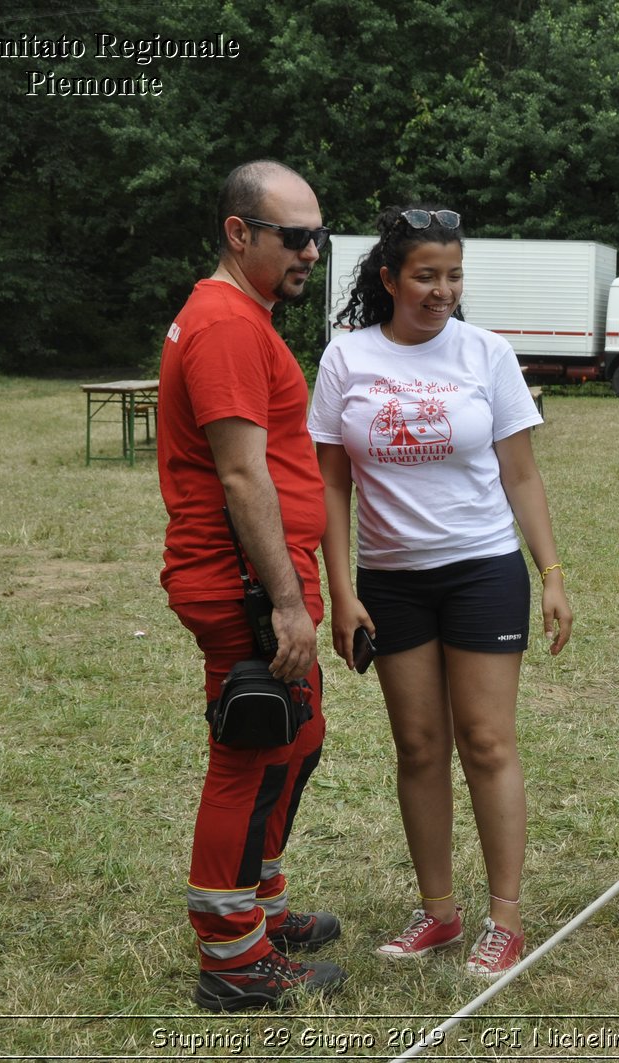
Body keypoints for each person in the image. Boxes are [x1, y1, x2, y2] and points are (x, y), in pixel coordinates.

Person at [309, 205, 573, 979]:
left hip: (482, 570)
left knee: (486, 742)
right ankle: (439, 912)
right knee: (419, 746)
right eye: (426, 276)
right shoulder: (345, 359)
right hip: (390, 581)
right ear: (389, 278)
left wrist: (552, 573)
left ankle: (506, 919)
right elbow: (330, 484)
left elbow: (521, 473)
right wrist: (341, 588)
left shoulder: (486, 352)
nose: (442, 291)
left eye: (454, 276)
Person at [157, 160, 346, 1012]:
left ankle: (260, 911)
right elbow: (242, 477)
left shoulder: (241, 316)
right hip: (243, 579)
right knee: (252, 755)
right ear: (240, 234)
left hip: (259, 572)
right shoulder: (227, 324)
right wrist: (283, 599)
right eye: (294, 236)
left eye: (318, 234)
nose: (312, 249)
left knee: (293, 743)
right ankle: (233, 958)